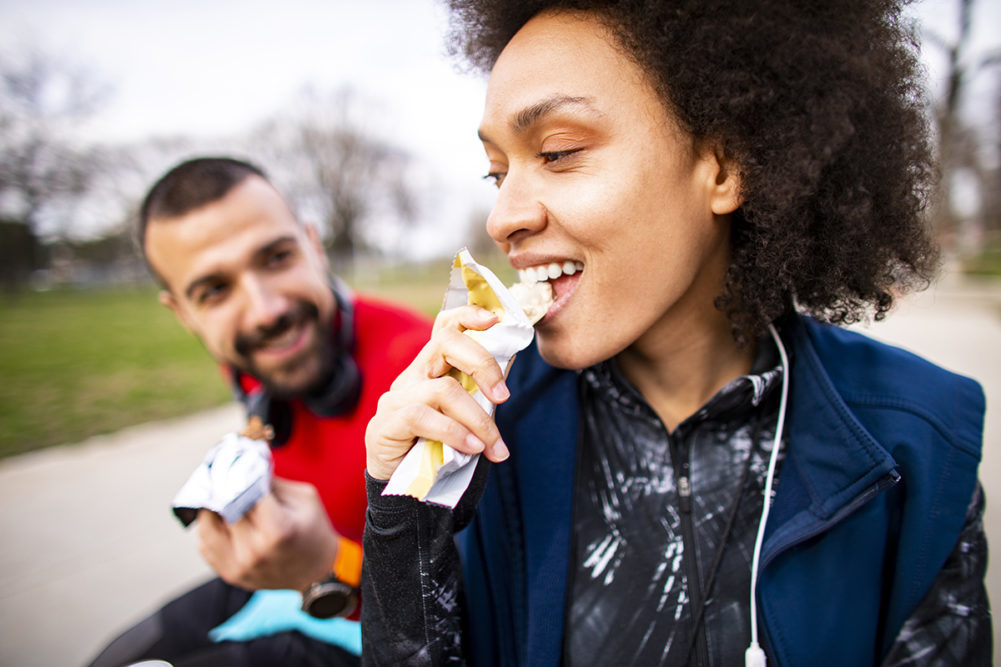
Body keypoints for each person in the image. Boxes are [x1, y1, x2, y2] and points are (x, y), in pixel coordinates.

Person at [361, 2, 991, 665]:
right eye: (498, 172)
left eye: (557, 152)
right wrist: (404, 511)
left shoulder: (920, 437)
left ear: (722, 166)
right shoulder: (477, 438)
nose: (502, 217)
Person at [86, 157, 433, 667]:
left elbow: (472, 615)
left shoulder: (425, 371)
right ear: (184, 314)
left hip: (381, 623)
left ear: (314, 246)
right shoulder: (252, 358)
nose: (266, 310)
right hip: (294, 584)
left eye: (276, 258)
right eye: (215, 290)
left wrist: (327, 566)